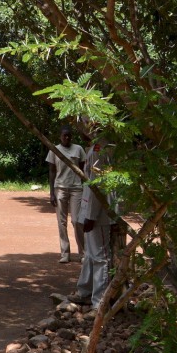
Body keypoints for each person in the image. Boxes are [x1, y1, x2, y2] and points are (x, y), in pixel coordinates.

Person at [69, 134, 115, 308]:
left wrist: (91, 215)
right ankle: (85, 291)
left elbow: (98, 184)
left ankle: (99, 303)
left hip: (98, 214)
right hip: (91, 209)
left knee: (100, 257)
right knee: (90, 254)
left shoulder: (99, 149)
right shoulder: (95, 147)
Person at [46, 126, 86, 264]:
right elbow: (52, 171)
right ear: (60, 137)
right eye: (64, 136)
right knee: (61, 222)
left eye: (69, 135)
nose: (67, 138)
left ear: (72, 136)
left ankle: (83, 253)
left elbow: (82, 168)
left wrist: (85, 187)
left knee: (77, 221)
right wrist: (51, 192)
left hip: (76, 188)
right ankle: (65, 253)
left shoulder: (78, 149)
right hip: (60, 188)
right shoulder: (54, 150)